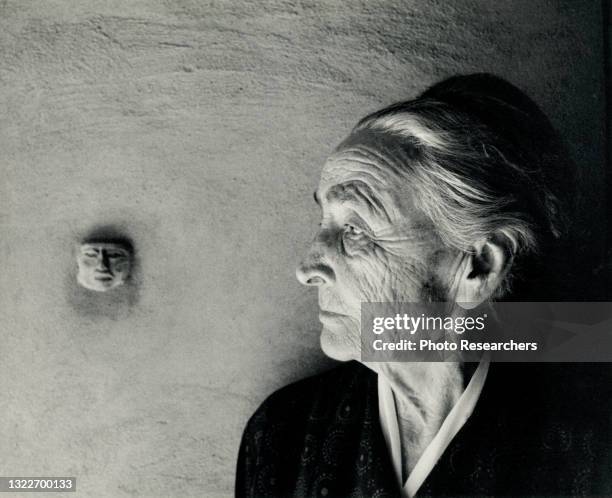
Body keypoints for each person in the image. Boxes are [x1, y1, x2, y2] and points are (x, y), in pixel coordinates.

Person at [235, 74, 612, 497]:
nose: (306, 268)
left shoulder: (588, 450)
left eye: (355, 229)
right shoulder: (281, 436)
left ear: (479, 267)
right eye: (323, 220)